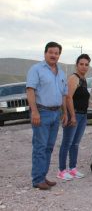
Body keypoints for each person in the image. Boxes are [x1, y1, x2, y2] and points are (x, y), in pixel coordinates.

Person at [26, 41, 68, 190]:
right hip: (41, 112)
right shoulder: (36, 69)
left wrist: (64, 113)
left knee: (49, 147)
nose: (53, 55)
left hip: (56, 113)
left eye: (56, 53)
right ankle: (37, 179)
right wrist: (35, 111)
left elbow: (64, 94)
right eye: (51, 52)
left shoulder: (61, 72)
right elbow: (30, 90)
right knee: (40, 146)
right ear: (45, 53)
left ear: (59, 55)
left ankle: (43, 176)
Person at [57, 54, 91, 180]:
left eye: (86, 64)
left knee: (75, 143)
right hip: (74, 114)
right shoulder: (74, 78)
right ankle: (61, 170)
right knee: (67, 142)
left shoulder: (83, 79)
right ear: (76, 65)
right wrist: (71, 115)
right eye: (81, 64)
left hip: (83, 115)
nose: (84, 66)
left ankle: (72, 168)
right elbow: (68, 97)